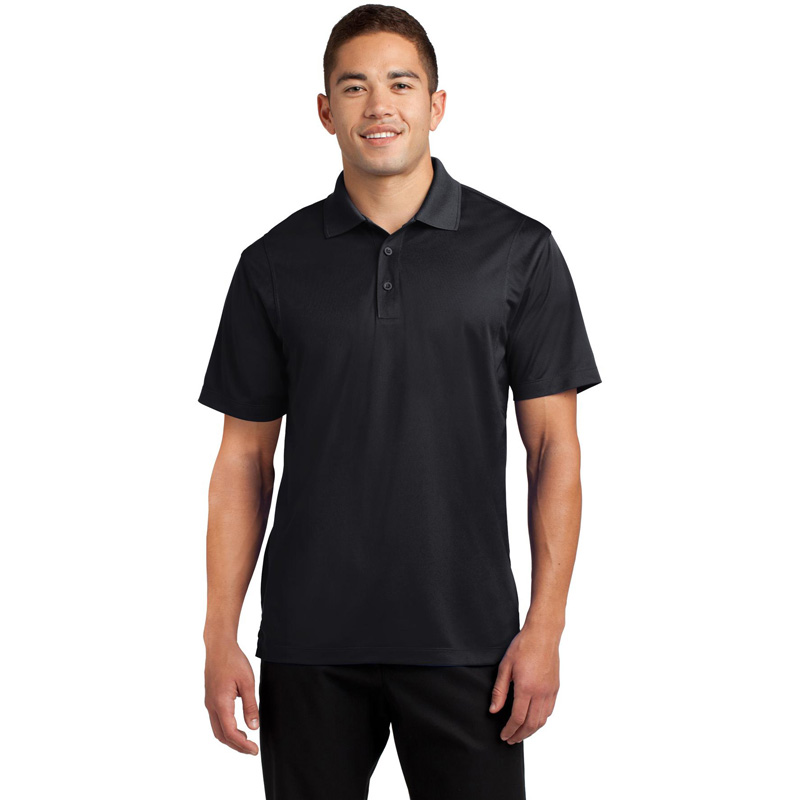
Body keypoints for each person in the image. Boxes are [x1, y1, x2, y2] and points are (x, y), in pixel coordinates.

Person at [198, 5, 602, 798]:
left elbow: (554, 451)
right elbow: (243, 460)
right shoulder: (272, 265)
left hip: (470, 644)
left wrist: (546, 628)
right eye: (354, 87)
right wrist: (219, 635)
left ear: (436, 105)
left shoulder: (519, 252)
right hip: (309, 643)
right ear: (326, 111)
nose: (379, 105)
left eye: (401, 84)